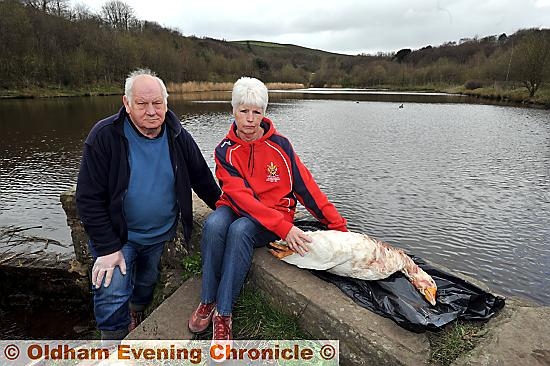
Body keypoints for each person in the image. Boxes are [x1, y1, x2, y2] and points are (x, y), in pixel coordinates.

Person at [187, 77, 348, 342]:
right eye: (244, 111)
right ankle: (207, 300)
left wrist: (338, 226)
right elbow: (239, 197)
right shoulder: (224, 151)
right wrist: (286, 229)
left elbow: (308, 189)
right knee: (215, 223)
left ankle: (224, 313)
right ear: (233, 111)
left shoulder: (281, 146)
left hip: (273, 216)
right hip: (238, 207)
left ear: (264, 113)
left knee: (240, 231)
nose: (250, 119)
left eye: (257, 112)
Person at [76, 68, 221, 340]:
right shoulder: (105, 136)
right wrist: (107, 248)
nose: (152, 111)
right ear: (127, 104)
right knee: (111, 287)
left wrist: (227, 211)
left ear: (166, 104)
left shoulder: (177, 135)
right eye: (142, 104)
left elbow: (202, 179)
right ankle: (113, 342)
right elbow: (87, 197)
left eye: (158, 103)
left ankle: (136, 310)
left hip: (158, 235)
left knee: (145, 281)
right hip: (117, 237)